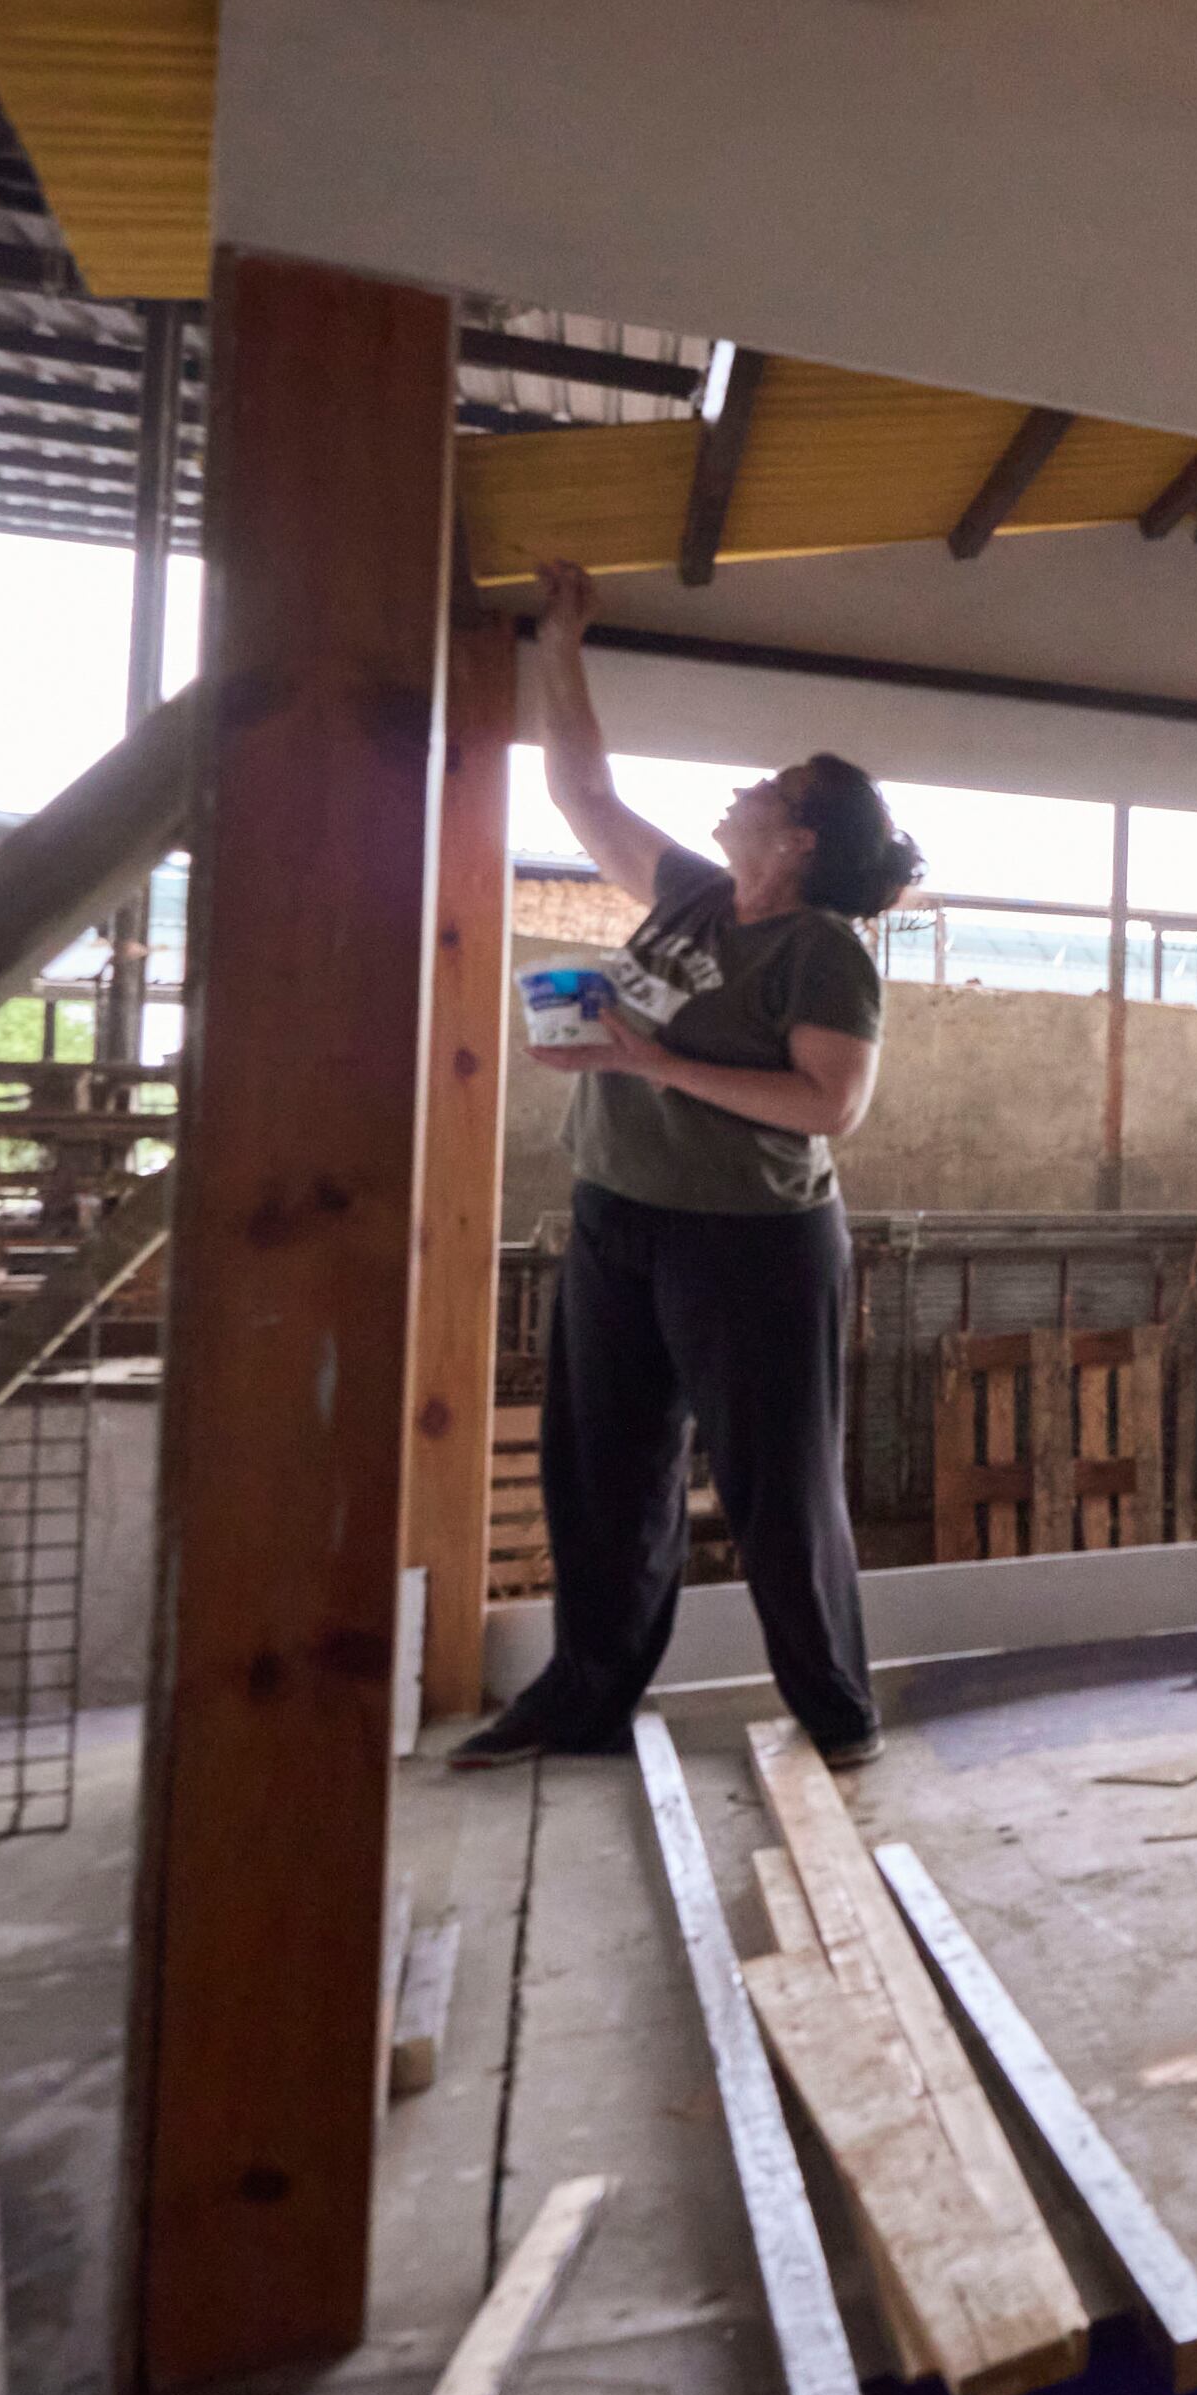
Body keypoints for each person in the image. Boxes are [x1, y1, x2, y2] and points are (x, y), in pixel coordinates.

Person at [453, 564, 924, 1772]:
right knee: (602, 1473)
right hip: (617, 1217)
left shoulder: (819, 952)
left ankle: (835, 1713)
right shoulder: (693, 898)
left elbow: (831, 1102)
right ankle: (584, 1700)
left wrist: (648, 1059)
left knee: (777, 1489)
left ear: (802, 836)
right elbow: (581, 791)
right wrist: (562, 645)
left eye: (772, 787)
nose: (744, 787)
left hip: (750, 1243)